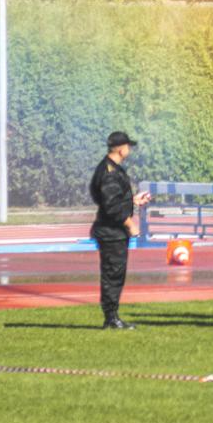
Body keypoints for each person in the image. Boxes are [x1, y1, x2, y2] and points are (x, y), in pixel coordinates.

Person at [90, 131, 151, 330]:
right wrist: (130, 224)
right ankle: (111, 318)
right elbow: (111, 206)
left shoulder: (110, 168)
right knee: (113, 275)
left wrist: (132, 200)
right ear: (120, 148)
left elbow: (110, 199)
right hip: (112, 232)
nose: (129, 149)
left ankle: (112, 316)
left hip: (113, 231)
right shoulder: (109, 171)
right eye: (127, 146)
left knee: (115, 274)